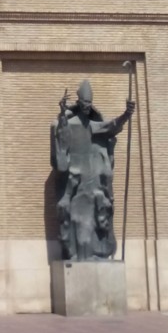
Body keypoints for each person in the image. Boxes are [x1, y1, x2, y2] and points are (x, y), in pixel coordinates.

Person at [51, 79, 135, 261]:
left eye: (90, 103)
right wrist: (62, 115)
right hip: (74, 185)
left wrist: (126, 115)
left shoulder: (93, 126)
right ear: (79, 102)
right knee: (76, 223)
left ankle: (98, 253)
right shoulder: (70, 123)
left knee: (97, 222)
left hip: (93, 183)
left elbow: (112, 126)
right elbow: (61, 146)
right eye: (85, 103)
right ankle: (75, 256)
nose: (88, 106)